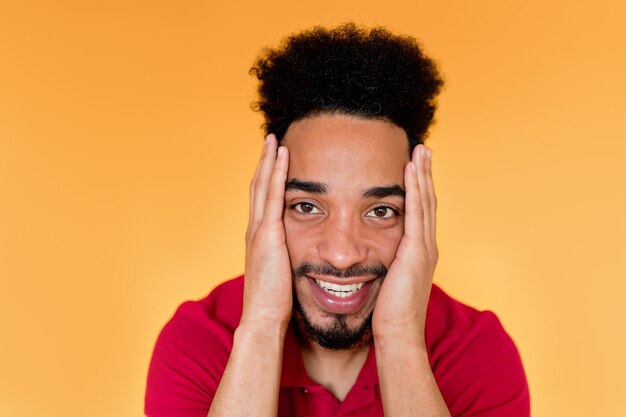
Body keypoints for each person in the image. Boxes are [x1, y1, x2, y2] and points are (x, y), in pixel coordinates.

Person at [145, 23, 530, 417]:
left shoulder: (474, 351)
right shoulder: (198, 341)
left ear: (418, 217)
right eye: (307, 206)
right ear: (265, 206)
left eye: (380, 211)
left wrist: (400, 340)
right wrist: (260, 327)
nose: (343, 254)